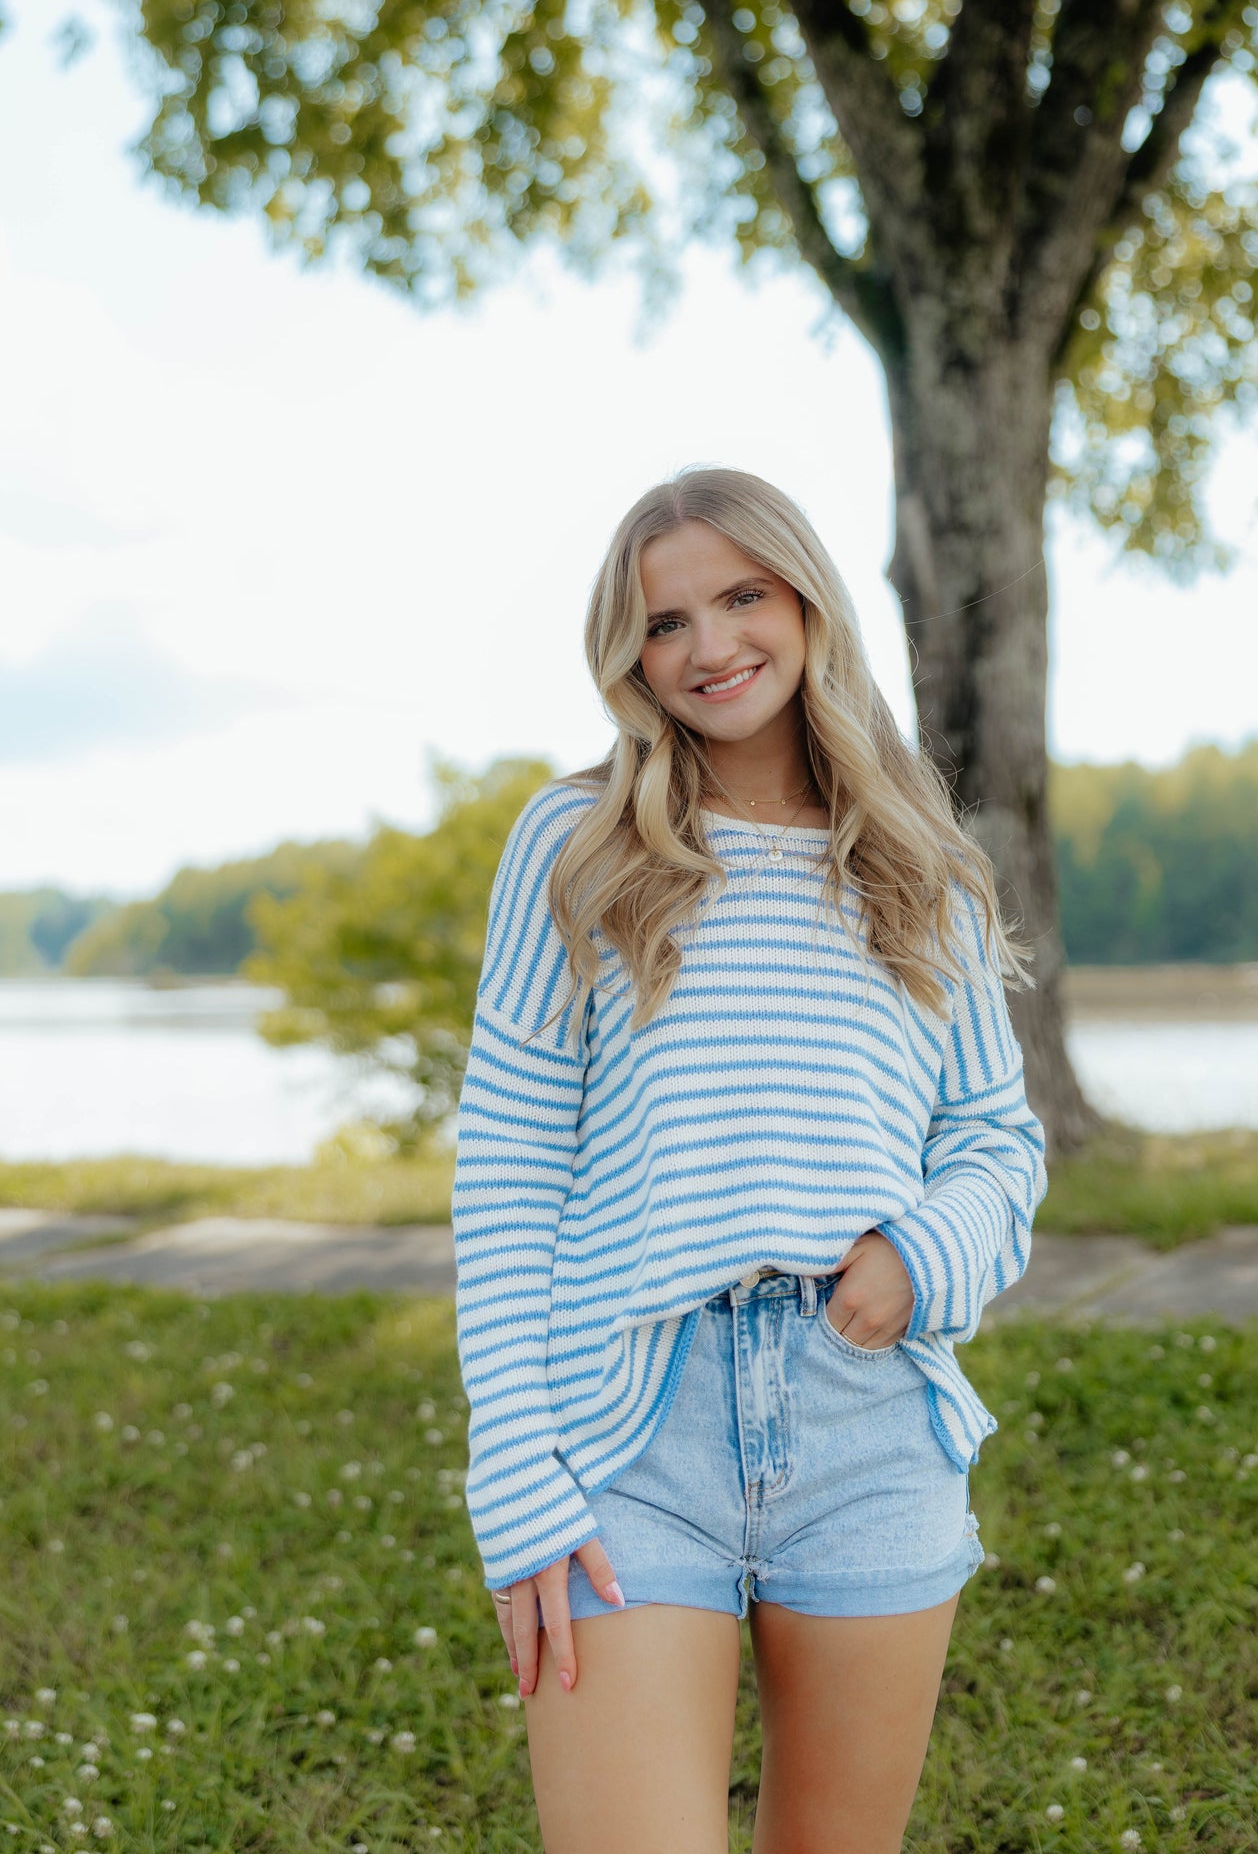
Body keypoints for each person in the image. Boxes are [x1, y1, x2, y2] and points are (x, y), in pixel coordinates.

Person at [451, 467, 1047, 1854]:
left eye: (739, 598)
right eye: (665, 624)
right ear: (631, 658)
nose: (709, 646)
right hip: (625, 1424)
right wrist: (513, 1467)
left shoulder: (918, 864)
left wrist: (919, 1257)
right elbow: (508, 1165)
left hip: (867, 1423)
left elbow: (991, 1137)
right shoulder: (578, 843)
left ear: (806, 606)